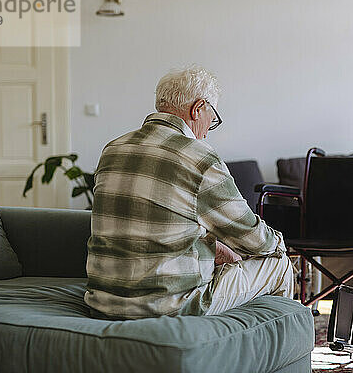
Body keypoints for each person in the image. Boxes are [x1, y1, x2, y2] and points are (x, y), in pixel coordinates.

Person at [84, 66, 293, 319]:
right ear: (198, 108)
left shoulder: (113, 149)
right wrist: (280, 243)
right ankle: (271, 352)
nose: (207, 131)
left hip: (104, 301)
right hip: (168, 306)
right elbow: (253, 238)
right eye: (212, 118)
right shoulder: (199, 157)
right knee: (277, 263)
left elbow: (156, 228)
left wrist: (216, 249)